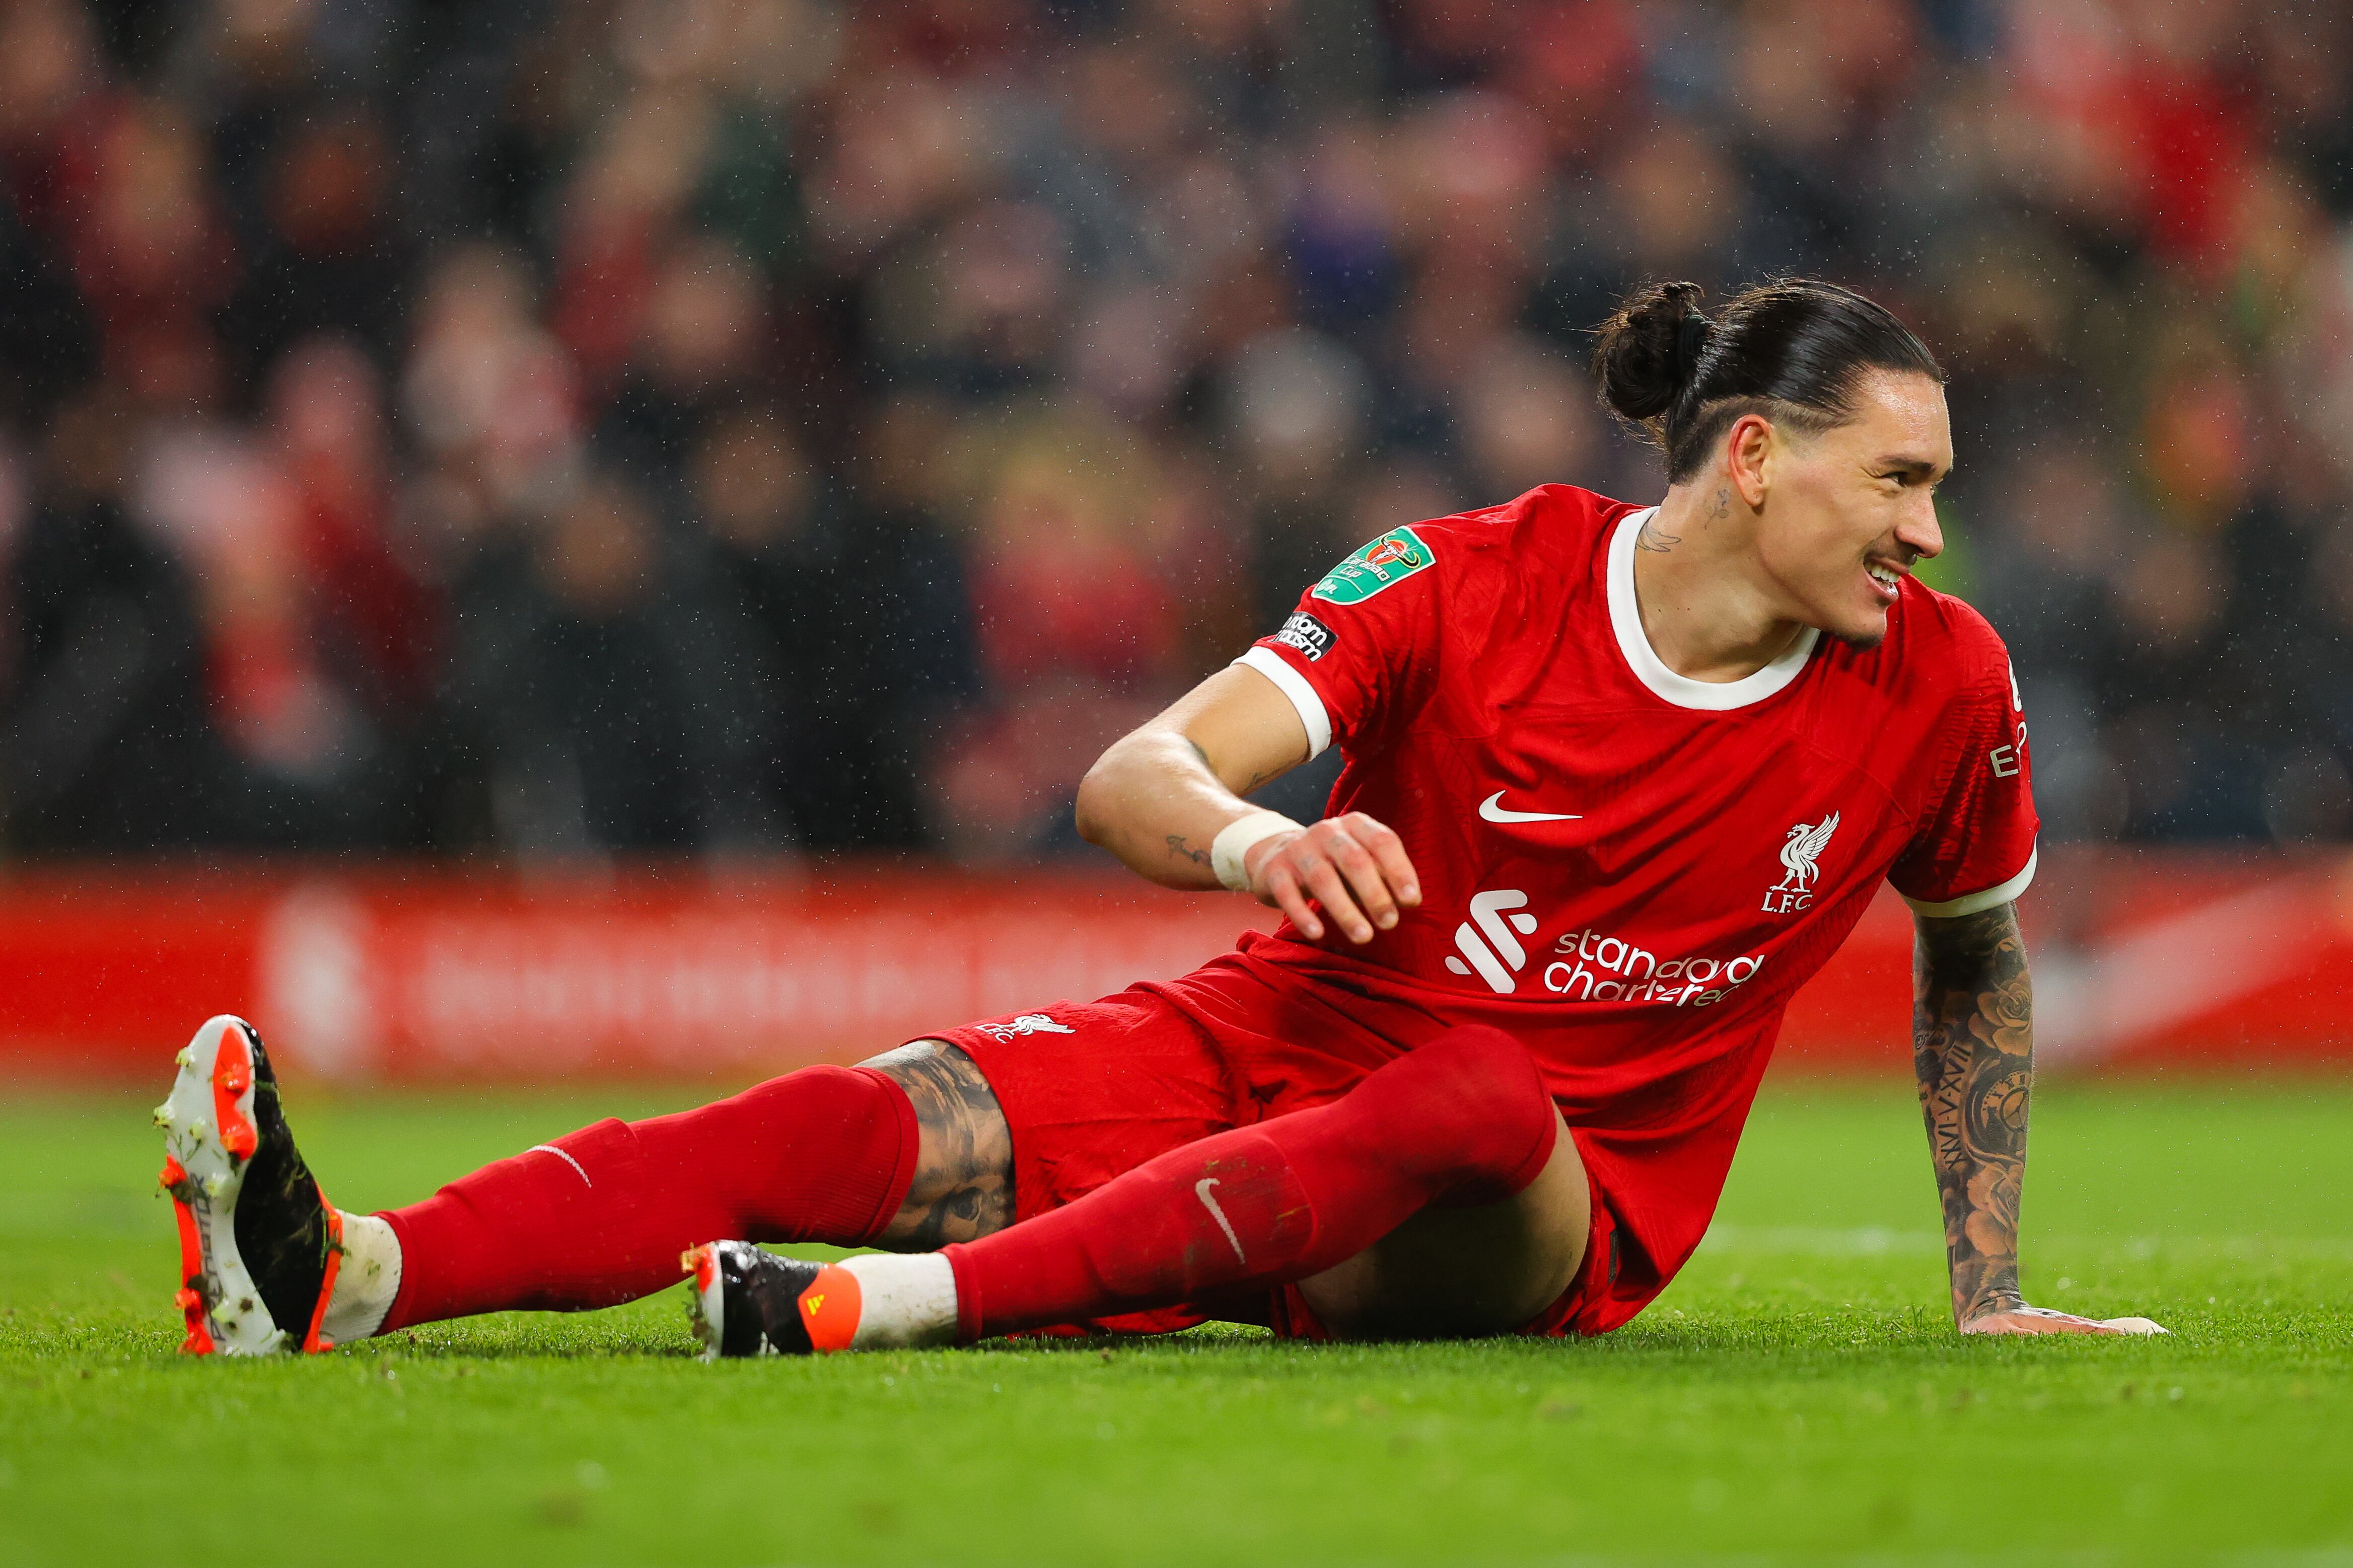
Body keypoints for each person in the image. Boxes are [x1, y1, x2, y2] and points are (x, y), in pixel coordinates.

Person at [155, 278, 2164, 1359]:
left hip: (1544, 1193)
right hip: (1282, 1034)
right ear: (1751, 458)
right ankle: (346, 1272)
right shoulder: (1464, 577)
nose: (1925, 528)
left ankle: (879, 1309)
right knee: (860, 1118)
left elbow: (1976, 952)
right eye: (1895, 478)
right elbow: (1137, 769)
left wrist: (1984, 1277)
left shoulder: (1943, 683)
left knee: (1472, 1092)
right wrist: (1257, 845)